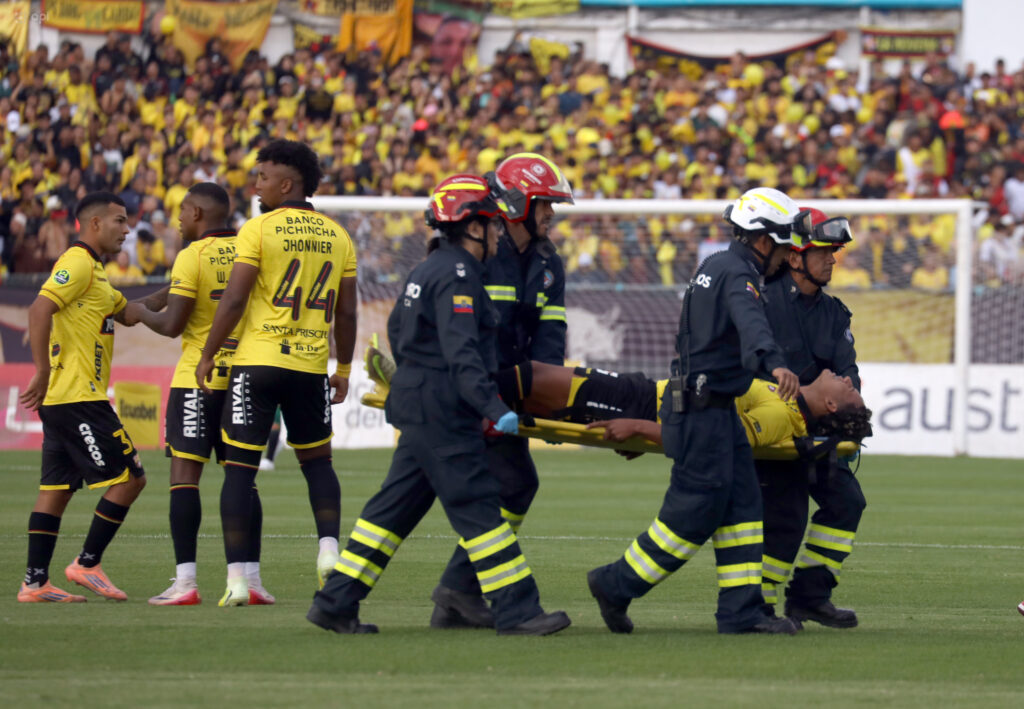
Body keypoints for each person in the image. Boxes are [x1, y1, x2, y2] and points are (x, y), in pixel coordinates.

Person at [308, 175, 570, 636]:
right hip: (443, 408)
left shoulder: (428, 269)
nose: (497, 233)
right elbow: (461, 353)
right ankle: (518, 610)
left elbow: (398, 330)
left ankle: (335, 602)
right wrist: (492, 408)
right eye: (491, 225)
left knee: (391, 511)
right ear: (472, 228)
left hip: (418, 402)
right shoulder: (460, 276)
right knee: (479, 506)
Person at [586, 186, 805, 635]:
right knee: (693, 514)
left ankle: (742, 612)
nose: (787, 256)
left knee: (744, 508)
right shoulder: (739, 275)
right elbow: (750, 323)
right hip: (704, 413)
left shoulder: (716, 265)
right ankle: (615, 583)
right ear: (764, 240)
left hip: (715, 409)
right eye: (785, 245)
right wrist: (775, 362)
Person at [196, 139, 358, 606]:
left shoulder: (259, 228)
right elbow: (347, 313)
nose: (257, 185)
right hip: (310, 367)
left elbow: (234, 299)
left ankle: (236, 581)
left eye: (263, 177)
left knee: (239, 473)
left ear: (287, 184)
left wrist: (208, 354)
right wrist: (344, 367)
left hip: (258, 363)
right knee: (319, 464)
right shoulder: (339, 236)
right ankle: (329, 551)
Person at [431, 152, 575, 629]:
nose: (551, 215)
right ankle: (476, 596)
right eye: (545, 204)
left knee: (512, 484)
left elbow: (550, 339)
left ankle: (455, 593)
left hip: (504, 393)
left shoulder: (549, 264)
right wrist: (483, 401)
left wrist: (548, 399)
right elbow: (463, 338)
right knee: (499, 488)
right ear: (518, 205)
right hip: (466, 394)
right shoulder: (479, 259)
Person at [134, 183, 274, 606]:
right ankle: (253, 581)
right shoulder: (252, 249)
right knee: (243, 479)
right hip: (244, 375)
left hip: (197, 378)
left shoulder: (192, 255)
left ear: (196, 213)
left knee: (184, 477)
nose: (178, 219)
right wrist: (153, 297)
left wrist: (138, 312)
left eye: (182, 210)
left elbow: (172, 323)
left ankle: (185, 583)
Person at [17, 191, 147, 603]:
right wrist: (41, 370)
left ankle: (35, 583)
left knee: (56, 490)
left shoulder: (96, 272)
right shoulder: (77, 263)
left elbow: (130, 312)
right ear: (95, 223)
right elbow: (39, 310)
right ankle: (87, 563)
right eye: (120, 221)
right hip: (78, 397)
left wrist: (181, 292)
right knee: (131, 478)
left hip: (64, 399)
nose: (127, 230)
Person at [757, 207, 866, 628]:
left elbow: (849, 373)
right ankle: (760, 607)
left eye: (833, 252)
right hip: (772, 433)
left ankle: (809, 597)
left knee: (847, 502)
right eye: (823, 252)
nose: (832, 259)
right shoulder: (760, 301)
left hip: (816, 436)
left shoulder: (835, 314)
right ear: (795, 257)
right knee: (786, 518)